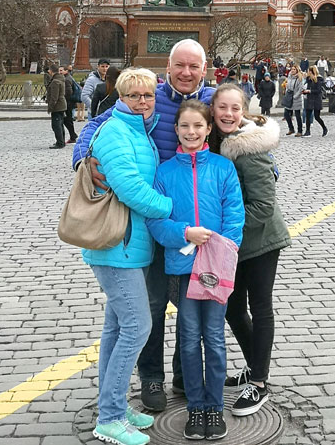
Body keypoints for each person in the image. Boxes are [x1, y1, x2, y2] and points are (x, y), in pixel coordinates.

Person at [73, 39, 214, 412]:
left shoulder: (214, 98)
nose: (186, 73)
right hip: (151, 223)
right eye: (179, 65)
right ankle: (151, 379)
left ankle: (186, 376)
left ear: (204, 68)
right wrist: (82, 159)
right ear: (168, 66)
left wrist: (265, 165)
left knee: (191, 305)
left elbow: (243, 126)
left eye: (193, 67)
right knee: (149, 307)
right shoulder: (148, 96)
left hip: (193, 222)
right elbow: (97, 126)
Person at [83, 68, 172, 445]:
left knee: (116, 328)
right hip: (117, 246)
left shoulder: (138, 129)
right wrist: (172, 207)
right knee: (138, 327)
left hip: (128, 245)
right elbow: (130, 188)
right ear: (119, 96)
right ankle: (110, 419)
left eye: (148, 95)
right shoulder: (117, 132)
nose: (142, 101)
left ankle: (113, 403)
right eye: (134, 95)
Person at [147, 100, 244, 439]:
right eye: (185, 126)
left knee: (215, 340)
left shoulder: (222, 168)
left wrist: (221, 250)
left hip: (215, 270)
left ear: (208, 129)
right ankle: (195, 408)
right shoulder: (165, 172)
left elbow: (234, 216)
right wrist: (184, 234)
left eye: (198, 126)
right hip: (183, 268)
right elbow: (158, 223)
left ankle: (214, 408)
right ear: (176, 130)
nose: (191, 132)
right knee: (188, 340)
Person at [208, 84, 291, 416]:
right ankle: (255, 365)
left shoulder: (248, 149)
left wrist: (224, 233)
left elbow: (263, 207)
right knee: (231, 308)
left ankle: (259, 382)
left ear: (243, 112)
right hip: (236, 243)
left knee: (260, 307)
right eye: (222, 107)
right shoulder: (217, 141)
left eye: (235, 108)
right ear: (212, 109)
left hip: (260, 241)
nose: (228, 114)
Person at [46, 63, 67, 148]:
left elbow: (54, 97)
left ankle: (60, 143)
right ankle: (61, 141)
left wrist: (50, 107)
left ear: (51, 71)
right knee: (60, 124)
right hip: (62, 105)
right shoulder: (60, 79)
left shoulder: (55, 81)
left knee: (56, 125)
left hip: (58, 106)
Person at [303, 66, 327, 137]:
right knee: (308, 116)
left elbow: (319, 90)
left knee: (317, 117)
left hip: (316, 99)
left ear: (311, 71)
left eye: (309, 71)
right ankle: (307, 131)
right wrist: (304, 91)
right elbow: (307, 87)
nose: (308, 73)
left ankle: (324, 128)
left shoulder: (319, 79)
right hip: (310, 99)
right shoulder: (308, 79)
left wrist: (310, 91)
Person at [283, 65, 303, 137]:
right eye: (292, 69)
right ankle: (291, 129)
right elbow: (288, 86)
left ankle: (300, 131)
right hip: (289, 97)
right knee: (286, 114)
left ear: (297, 70)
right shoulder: (289, 77)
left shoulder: (299, 78)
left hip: (296, 98)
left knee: (297, 115)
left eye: (294, 69)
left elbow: (301, 89)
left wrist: (295, 96)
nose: (292, 70)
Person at [59, 66, 77, 143]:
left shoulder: (66, 79)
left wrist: (63, 100)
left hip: (68, 103)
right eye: (59, 70)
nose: (59, 72)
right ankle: (73, 135)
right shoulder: (69, 77)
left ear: (66, 71)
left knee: (67, 120)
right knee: (67, 120)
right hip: (70, 102)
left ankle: (73, 136)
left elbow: (68, 92)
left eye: (61, 70)